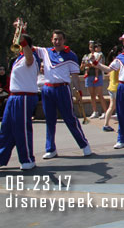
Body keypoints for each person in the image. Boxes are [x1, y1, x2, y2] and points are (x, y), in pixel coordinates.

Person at [36, 30, 91, 159]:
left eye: (60, 39)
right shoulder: (45, 52)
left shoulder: (71, 55)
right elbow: (29, 46)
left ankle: (84, 145)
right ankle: (50, 149)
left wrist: (79, 91)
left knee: (69, 119)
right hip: (48, 89)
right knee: (49, 120)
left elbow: (75, 77)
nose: (57, 41)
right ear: (51, 40)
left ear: (64, 40)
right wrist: (22, 30)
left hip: (63, 89)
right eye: (55, 39)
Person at [0, 33, 40, 170]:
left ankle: (28, 159)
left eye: (18, 41)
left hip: (24, 96)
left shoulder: (32, 57)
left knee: (21, 130)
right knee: (6, 129)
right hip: (14, 97)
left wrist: (23, 40)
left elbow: (29, 58)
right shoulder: (18, 59)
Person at [81, 41, 107, 119]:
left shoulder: (99, 55)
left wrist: (92, 65)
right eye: (90, 47)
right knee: (92, 95)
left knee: (100, 95)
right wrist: (85, 65)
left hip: (97, 75)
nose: (92, 49)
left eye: (93, 47)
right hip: (89, 76)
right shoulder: (86, 56)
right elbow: (82, 67)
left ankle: (105, 111)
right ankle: (95, 111)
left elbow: (100, 65)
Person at [102, 45, 121, 132]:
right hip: (118, 88)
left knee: (111, 106)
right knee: (122, 107)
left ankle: (106, 124)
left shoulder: (112, 63)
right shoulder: (118, 64)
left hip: (111, 87)